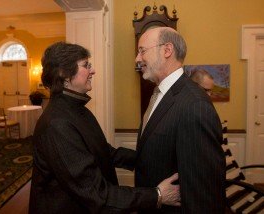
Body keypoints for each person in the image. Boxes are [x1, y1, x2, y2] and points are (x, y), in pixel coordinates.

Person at [29, 42, 180, 214]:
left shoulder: (77, 109)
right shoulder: (57, 124)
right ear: (64, 74)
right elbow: (95, 193)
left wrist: (151, 158)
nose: (92, 71)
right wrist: (157, 195)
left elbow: (104, 152)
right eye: (86, 65)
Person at [135, 27, 226, 213]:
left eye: (142, 50)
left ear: (167, 50)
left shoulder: (194, 104)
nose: (137, 59)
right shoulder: (160, 93)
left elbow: (204, 192)